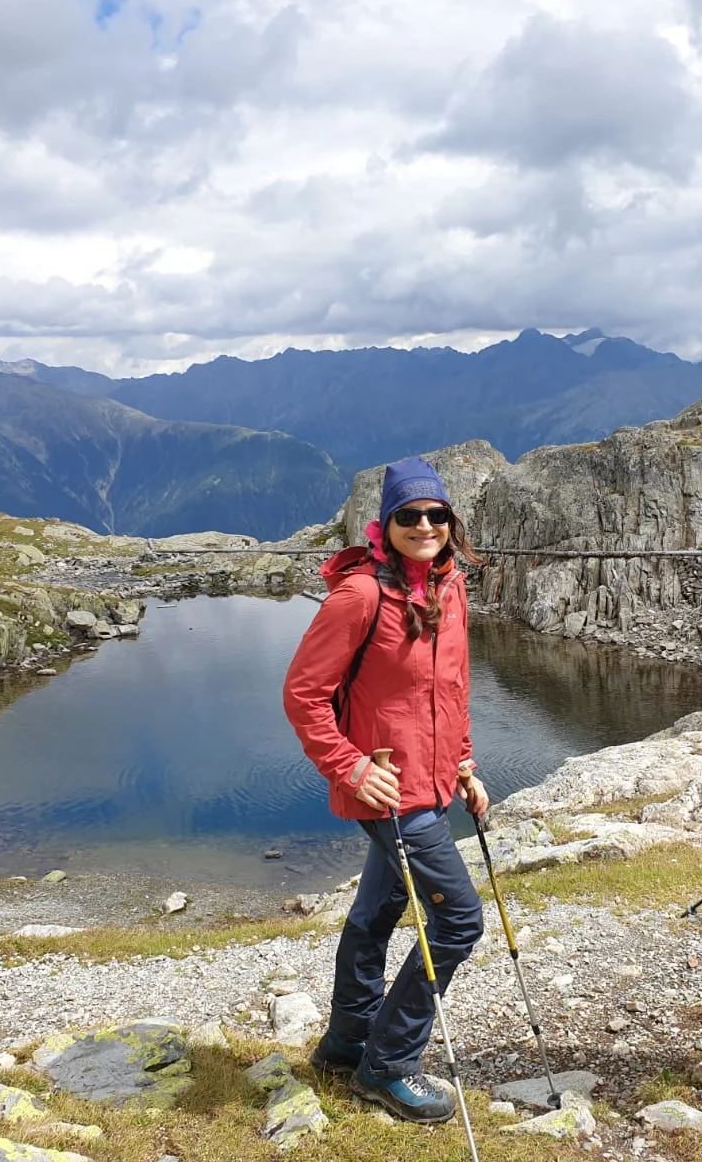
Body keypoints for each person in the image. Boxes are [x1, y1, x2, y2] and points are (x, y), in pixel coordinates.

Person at [282, 457, 489, 1122]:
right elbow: (303, 695)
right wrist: (349, 766)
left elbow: (449, 691)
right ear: (387, 523)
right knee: (458, 921)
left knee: (377, 910)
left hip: (431, 785)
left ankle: (347, 1042)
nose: (424, 525)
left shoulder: (450, 590)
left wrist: (463, 764)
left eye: (436, 514)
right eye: (409, 515)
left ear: (450, 522)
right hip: (387, 792)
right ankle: (389, 1065)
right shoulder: (360, 596)